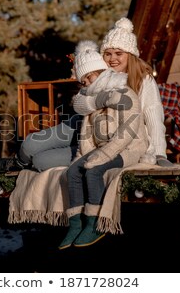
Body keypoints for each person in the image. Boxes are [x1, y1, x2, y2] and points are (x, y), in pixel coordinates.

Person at [0, 17, 172, 172]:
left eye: (119, 53)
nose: (112, 58)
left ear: (130, 55)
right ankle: (18, 161)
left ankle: (42, 160)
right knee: (31, 143)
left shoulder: (143, 80)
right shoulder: (99, 74)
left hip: (107, 139)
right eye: (107, 54)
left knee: (41, 161)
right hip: (82, 124)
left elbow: (154, 118)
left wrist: (159, 154)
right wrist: (96, 99)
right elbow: (79, 101)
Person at [58, 41, 148, 250]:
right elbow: (86, 136)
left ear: (101, 72)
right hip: (102, 149)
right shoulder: (93, 101)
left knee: (93, 171)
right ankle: (75, 223)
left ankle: (95, 222)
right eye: (83, 81)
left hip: (128, 147)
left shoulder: (124, 93)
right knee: (73, 172)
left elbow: (127, 133)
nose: (87, 83)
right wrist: (81, 159)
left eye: (90, 77)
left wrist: (102, 156)